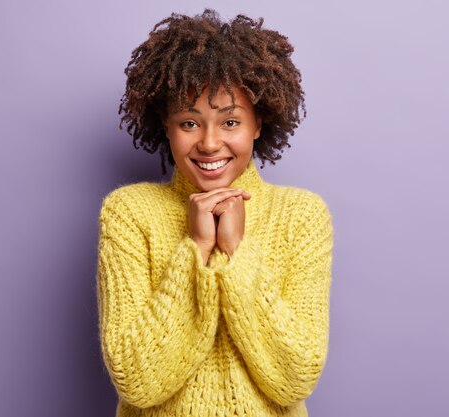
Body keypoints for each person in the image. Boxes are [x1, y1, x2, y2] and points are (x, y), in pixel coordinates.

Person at [95, 9, 334, 417]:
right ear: (166, 127)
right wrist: (198, 249)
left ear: (259, 124)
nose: (209, 143)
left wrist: (237, 252)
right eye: (189, 122)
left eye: (230, 121)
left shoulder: (302, 216)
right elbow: (137, 381)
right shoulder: (128, 213)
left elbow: (294, 379)